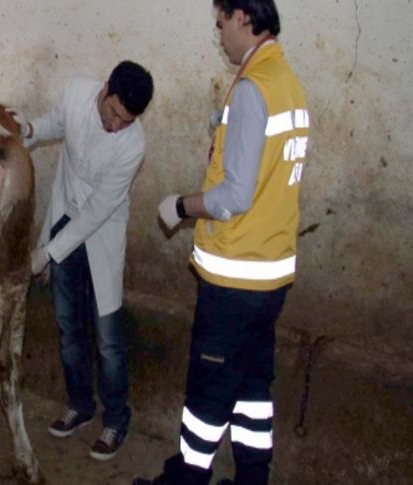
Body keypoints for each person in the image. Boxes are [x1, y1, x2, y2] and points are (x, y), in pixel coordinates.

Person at [134, 1, 309, 484]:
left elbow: (233, 196)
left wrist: (180, 206)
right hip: (271, 276)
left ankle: (186, 480)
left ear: (244, 19)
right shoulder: (286, 82)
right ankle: (253, 479)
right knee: (253, 389)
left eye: (221, 23)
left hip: (235, 279)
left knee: (207, 399)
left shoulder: (254, 89)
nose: (219, 35)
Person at [22, 60, 154, 461]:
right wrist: (27, 131)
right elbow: (53, 125)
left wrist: (46, 252)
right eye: (114, 113)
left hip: (100, 233)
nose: (116, 125)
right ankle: (80, 405)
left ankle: (116, 419)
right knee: (67, 326)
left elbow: (97, 212)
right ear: (105, 87)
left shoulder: (133, 145)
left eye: (126, 121)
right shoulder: (77, 91)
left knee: (108, 337)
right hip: (65, 212)